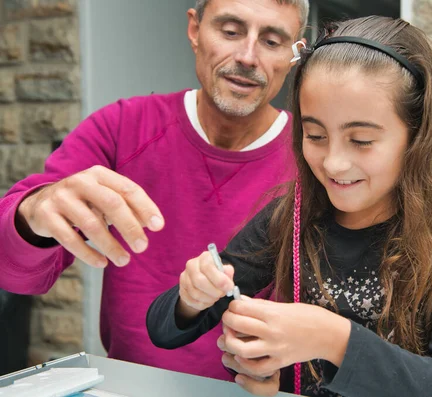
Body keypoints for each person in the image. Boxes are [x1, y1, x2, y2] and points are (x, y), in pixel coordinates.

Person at [146, 15, 432, 397]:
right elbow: (163, 330)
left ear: (417, 136)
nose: (333, 163)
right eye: (315, 135)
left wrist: (336, 340)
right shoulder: (295, 215)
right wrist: (192, 296)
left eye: (361, 140)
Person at [0, 0, 309, 385]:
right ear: (195, 30)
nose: (247, 56)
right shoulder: (122, 128)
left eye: (272, 40)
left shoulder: (314, 158)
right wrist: (33, 213)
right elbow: (13, 271)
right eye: (230, 31)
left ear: (295, 52)